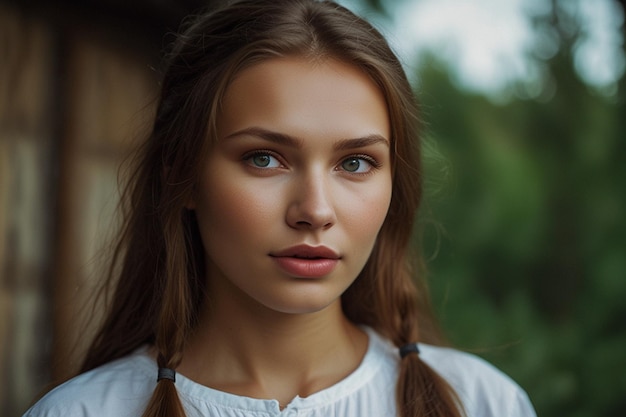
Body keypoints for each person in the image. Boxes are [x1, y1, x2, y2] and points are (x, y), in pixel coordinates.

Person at [23, 1, 537, 416]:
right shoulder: (85, 411)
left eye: (355, 162)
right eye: (264, 158)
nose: (314, 210)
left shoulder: (483, 403)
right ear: (181, 176)